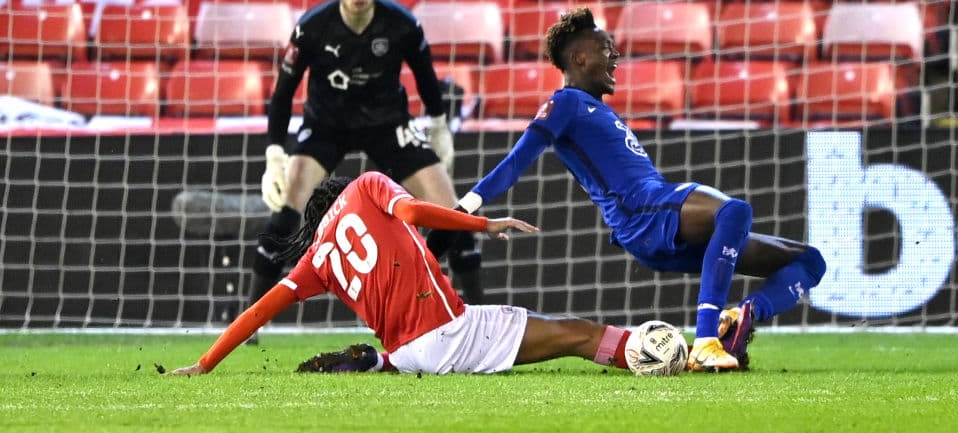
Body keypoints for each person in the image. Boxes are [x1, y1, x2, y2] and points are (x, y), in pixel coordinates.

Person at [440, 6, 827, 372]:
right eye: (606, 49)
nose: (615, 57)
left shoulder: (598, 109)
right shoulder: (564, 103)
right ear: (579, 59)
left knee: (810, 261)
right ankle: (706, 341)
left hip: (658, 214)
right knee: (734, 211)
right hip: (641, 215)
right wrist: (464, 209)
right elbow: (514, 164)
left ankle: (743, 315)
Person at [172, 173, 641, 376]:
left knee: (427, 340)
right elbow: (414, 210)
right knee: (579, 334)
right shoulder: (367, 185)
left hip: (411, 352)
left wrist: (206, 362)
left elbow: (258, 310)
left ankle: (380, 362)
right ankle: (657, 356)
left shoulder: (315, 257)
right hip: (451, 333)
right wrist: (484, 223)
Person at [251, 0, 484, 327]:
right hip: (326, 125)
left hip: (388, 125)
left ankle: (479, 318)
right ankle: (251, 323)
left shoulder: (403, 25)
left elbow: (427, 82)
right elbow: (281, 96)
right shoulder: (311, 28)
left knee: (451, 213)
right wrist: (275, 153)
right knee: (287, 210)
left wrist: (439, 127)